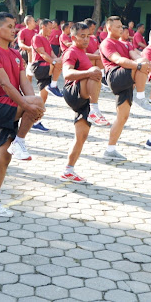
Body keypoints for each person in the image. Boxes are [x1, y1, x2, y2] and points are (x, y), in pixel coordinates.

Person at [0, 12, 45, 216]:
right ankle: (20, 141)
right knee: (34, 103)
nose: (13, 29)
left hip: (10, 104)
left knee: (3, 158)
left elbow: (24, 82)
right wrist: (29, 106)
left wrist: (34, 104)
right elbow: (5, 85)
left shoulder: (16, 54)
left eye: (14, 25)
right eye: (9, 26)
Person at [100, 16, 151, 160]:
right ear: (109, 28)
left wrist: (147, 62)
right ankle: (141, 97)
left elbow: (136, 56)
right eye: (118, 27)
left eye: (121, 26)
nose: (121, 29)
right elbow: (118, 60)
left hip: (126, 78)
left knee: (122, 117)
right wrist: (139, 65)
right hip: (115, 76)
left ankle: (110, 149)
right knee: (140, 64)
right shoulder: (107, 43)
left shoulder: (125, 43)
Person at [60, 23, 108, 183]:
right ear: (73, 38)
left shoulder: (82, 51)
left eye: (88, 36)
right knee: (93, 74)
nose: (86, 39)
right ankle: (95, 109)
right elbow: (67, 73)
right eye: (82, 36)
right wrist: (88, 72)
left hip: (84, 99)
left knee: (81, 136)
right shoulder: (71, 52)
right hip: (73, 92)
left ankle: (68, 170)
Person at [30, 20, 63, 132]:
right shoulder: (37, 38)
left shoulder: (46, 39)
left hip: (46, 65)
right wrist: (54, 63)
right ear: (43, 27)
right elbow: (42, 54)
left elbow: (52, 54)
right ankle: (53, 85)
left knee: (42, 98)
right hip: (39, 66)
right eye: (49, 28)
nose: (51, 30)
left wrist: (57, 59)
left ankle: (36, 121)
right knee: (59, 63)